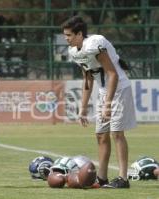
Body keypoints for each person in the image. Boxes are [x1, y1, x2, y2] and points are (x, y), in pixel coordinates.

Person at [62, 16, 136, 188]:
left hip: (118, 89)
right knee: (101, 135)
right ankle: (102, 178)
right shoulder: (75, 52)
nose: (66, 39)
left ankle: (123, 178)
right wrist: (82, 108)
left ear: (79, 34)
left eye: (69, 35)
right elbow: (87, 79)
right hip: (104, 92)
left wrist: (108, 104)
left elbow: (113, 74)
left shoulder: (94, 44)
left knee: (117, 133)